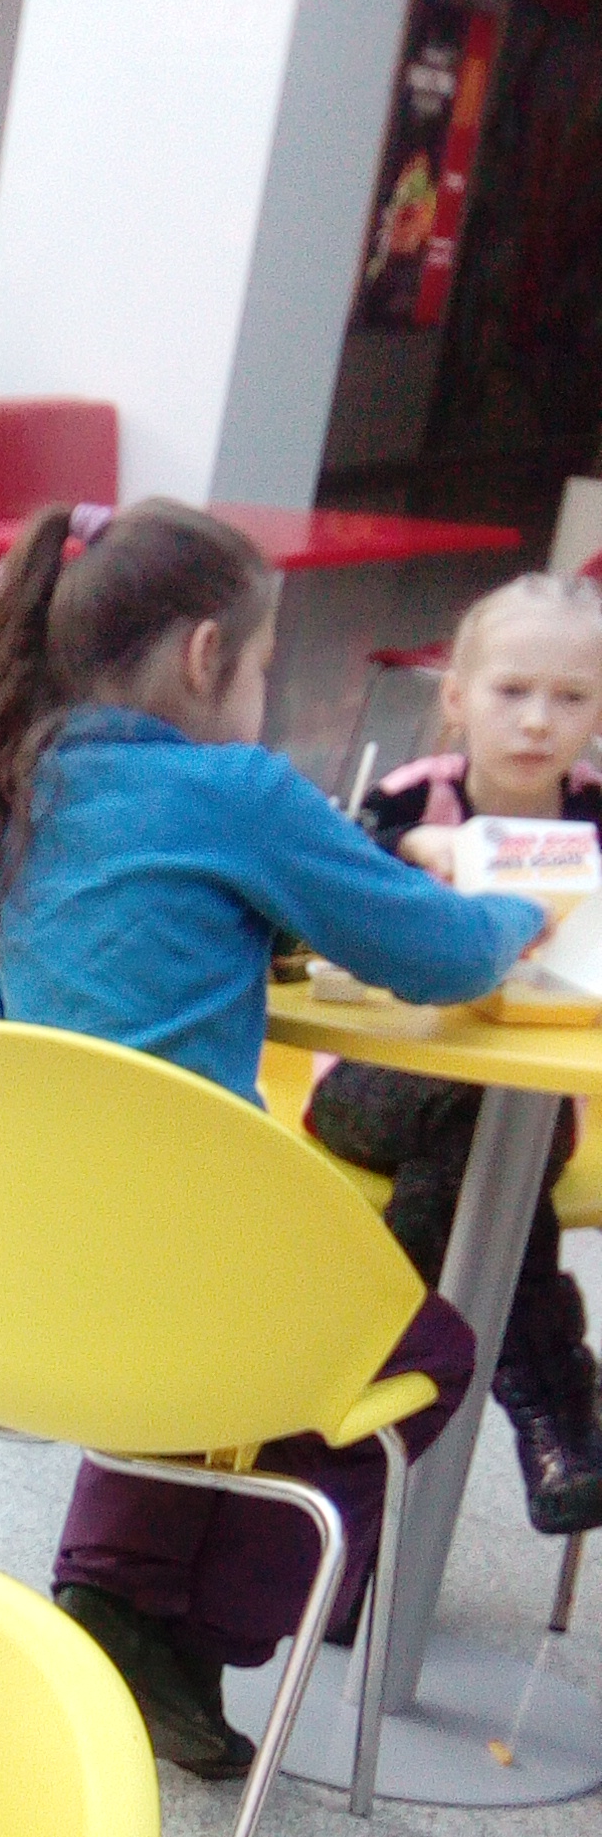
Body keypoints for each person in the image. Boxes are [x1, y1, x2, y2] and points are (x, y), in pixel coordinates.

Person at [0, 498, 545, 1776]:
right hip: (182, 1257)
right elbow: (438, 955)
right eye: (264, 663)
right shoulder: (233, 788)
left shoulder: (20, 777)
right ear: (209, 656)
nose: (265, 690)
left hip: (12, 1261)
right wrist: (521, 911)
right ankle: (192, 1635)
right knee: (421, 1357)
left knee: (195, 1329)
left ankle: (112, 1597)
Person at [308, 572, 602, 1531]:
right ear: (457, 698)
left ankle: (361, 1397)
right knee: (483, 1148)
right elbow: (322, 912)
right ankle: (556, 1405)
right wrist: (408, 864)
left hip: (533, 1102)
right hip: (369, 1086)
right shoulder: (403, 806)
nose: (538, 721)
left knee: (475, 1156)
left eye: (572, 697)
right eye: (512, 691)